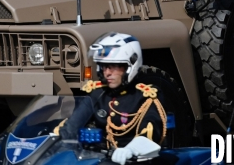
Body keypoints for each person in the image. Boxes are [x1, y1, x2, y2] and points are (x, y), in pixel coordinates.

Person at [56, 32, 167, 160]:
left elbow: (151, 133)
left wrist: (132, 149)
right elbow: (72, 126)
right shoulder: (97, 94)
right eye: (104, 67)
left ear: (130, 66)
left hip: (135, 161)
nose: (107, 73)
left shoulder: (146, 97)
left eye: (114, 67)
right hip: (98, 159)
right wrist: (52, 141)